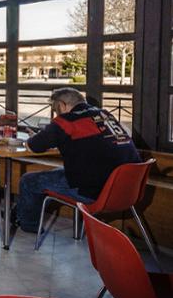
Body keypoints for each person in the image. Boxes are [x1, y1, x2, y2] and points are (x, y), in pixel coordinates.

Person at [15, 87, 142, 233]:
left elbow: (34, 146)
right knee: (59, 172)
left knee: (28, 181)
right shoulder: (105, 115)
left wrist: (33, 138)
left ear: (62, 105)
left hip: (94, 191)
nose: (56, 114)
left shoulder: (65, 121)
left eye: (56, 109)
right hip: (128, 190)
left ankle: (28, 225)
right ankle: (18, 213)